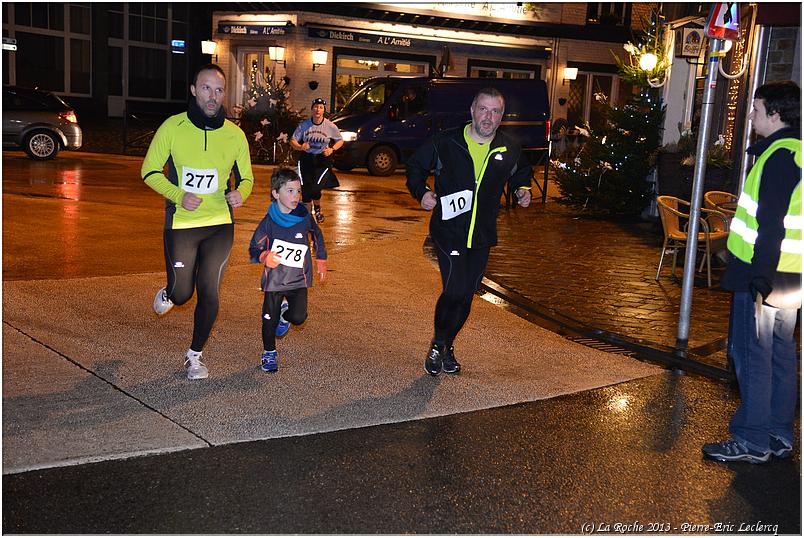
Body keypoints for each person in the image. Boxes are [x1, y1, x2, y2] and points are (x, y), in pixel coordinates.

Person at [703, 81, 801, 463]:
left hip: (763, 277)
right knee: (780, 354)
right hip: (792, 276)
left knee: (752, 356)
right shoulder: (798, 153)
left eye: (757, 109)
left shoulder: (776, 157)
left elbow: (771, 224)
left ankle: (752, 439)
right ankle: (778, 433)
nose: (752, 116)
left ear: (776, 114)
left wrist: (757, 277)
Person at [406, 87, 533, 376]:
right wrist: (422, 191)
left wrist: (522, 190)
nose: (488, 117)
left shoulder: (508, 147)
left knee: (466, 295)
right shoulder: (446, 141)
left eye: (495, 111)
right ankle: (438, 345)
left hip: (482, 234)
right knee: (453, 289)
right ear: (472, 110)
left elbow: (521, 174)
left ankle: (447, 345)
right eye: (483, 109)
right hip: (449, 231)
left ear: (502, 117)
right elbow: (415, 167)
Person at [142, 64, 254, 380]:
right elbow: (149, 171)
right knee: (182, 295)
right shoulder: (172, 127)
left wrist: (240, 194)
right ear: (193, 90)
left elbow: (246, 178)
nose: (212, 96)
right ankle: (168, 293)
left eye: (218, 90)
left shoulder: (235, 135)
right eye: (206, 88)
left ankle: (195, 356)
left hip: (220, 224)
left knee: (210, 291)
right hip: (182, 224)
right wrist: (178, 195)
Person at [248, 167, 328, 372]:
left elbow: (317, 236)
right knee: (269, 318)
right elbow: (254, 248)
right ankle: (269, 353)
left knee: (299, 317)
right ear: (276, 193)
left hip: (298, 279)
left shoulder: (304, 218)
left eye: (298, 191)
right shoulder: (268, 222)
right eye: (290, 191)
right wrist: (265, 256)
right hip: (274, 280)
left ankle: (286, 315)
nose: (296, 196)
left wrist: (321, 259)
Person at [290, 98, 344, 224]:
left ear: (324, 110)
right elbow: (293, 140)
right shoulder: (304, 125)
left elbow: (340, 140)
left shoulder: (330, 126)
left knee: (316, 187)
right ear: (312, 109)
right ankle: (307, 216)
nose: (317, 110)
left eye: (320, 107)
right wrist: (300, 146)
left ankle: (318, 209)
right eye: (315, 107)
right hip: (307, 159)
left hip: (322, 160)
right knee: (306, 189)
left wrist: (331, 149)